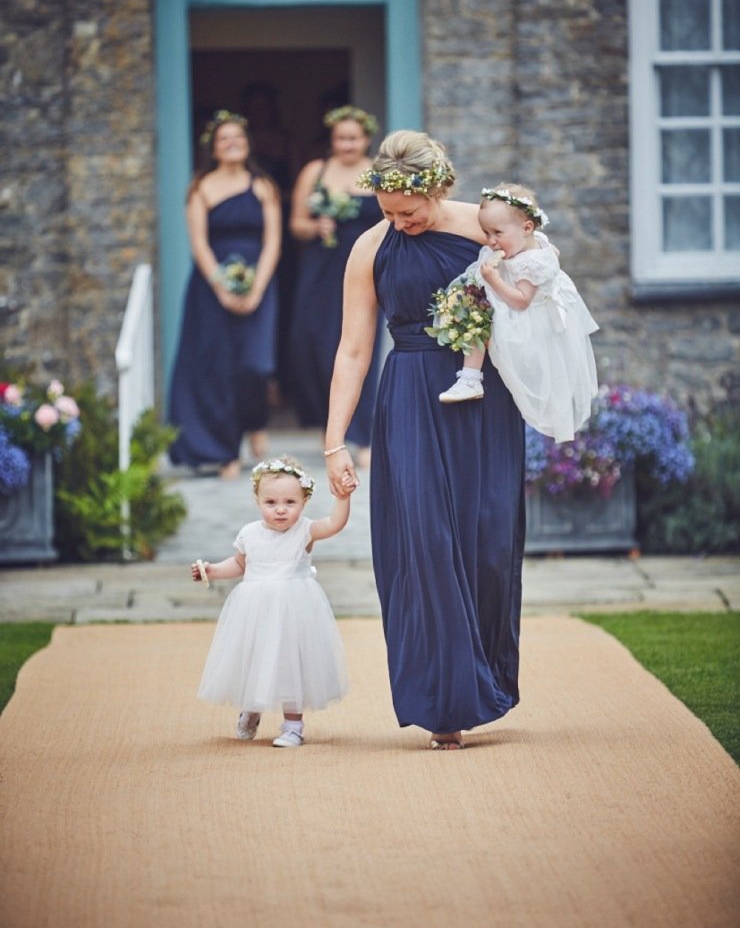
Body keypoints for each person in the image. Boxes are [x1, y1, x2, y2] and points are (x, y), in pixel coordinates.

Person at [324, 130, 525, 750]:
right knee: (426, 544)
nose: (399, 222)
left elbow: (541, 295)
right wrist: (335, 443)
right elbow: (355, 349)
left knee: (489, 542)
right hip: (410, 395)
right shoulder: (370, 248)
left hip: (486, 396)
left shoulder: (485, 227)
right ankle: (445, 703)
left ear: (437, 189)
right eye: (387, 212)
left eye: (407, 211)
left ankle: (484, 678)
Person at [194, 455, 353, 747]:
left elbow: (334, 523)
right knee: (256, 658)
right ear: (258, 501)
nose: (280, 510)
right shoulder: (250, 533)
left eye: (290, 503)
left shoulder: (305, 530)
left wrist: (343, 496)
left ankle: (293, 726)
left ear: (303, 502)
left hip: (295, 609)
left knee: (292, 664)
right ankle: (251, 709)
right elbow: (240, 564)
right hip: (255, 609)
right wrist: (213, 571)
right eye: (271, 503)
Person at [437, 183, 599, 443]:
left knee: (477, 312)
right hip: (511, 304)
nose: (490, 241)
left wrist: (492, 279)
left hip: (522, 319)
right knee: (470, 303)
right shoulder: (530, 243)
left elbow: (521, 301)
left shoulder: (532, 261)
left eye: (497, 232)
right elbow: (550, 249)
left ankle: (470, 378)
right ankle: (469, 376)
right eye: (486, 232)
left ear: (527, 228)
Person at [168, 110, 281, 479]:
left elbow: (273, 243)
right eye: (224, 139)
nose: (233, 143)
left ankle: (256, 423)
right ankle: (226, 451)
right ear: (213, 148)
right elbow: (198, 244)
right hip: (210, 288)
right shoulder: (201, 188)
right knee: (218, 370)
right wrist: (221, 286)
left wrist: (256, 290)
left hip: (259, 283)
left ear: (247, 143)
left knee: (255, 365)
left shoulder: (263, 185)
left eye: (239, 137)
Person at [289, 106, 384, 468]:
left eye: (354, 138)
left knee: (360, 345)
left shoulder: (377, 173)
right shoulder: (315, 171)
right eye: (341, 138)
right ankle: (332, 426)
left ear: (366, 139)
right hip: (322, 268)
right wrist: (315, 228)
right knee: (310, 342)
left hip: (364, 266)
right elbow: (296, 223)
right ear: (332, 139)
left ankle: (362, 435)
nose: (347, 144)